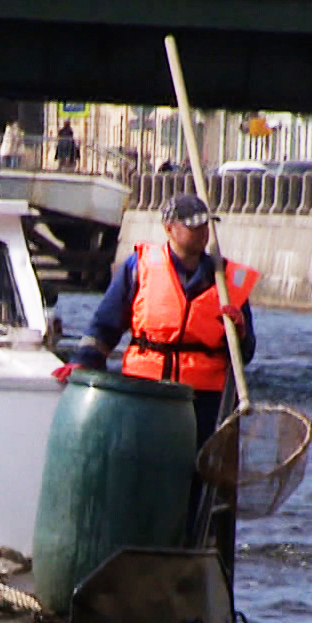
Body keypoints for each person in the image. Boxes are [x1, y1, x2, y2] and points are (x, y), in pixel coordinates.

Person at [57, 192, 261, 542]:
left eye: (206, 226)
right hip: (146, 393)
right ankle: (138, 540)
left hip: (204, 397)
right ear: (170, 229)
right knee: (143, 470)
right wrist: (82, 363)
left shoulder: (226, 280)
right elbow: (105, 326)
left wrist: (239, 330)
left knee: (200, 476)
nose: (202, 233)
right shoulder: (140, 269)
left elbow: (245, 355)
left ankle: (192, 544)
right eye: (193, 226)